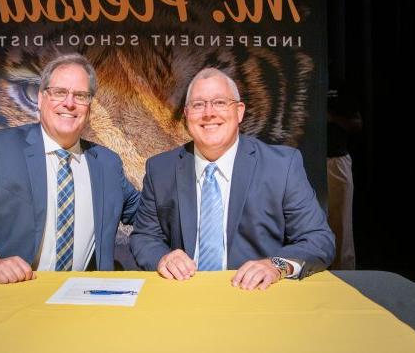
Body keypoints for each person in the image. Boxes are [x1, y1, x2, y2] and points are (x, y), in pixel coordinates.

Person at [0, 53, 140, 283]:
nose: (69, 103)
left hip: (82, 300)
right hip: (10, 294)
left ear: (89, 107)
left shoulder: (107, 163)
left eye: (80, 96)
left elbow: (146, 213)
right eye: (59, 92)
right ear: (41, 98)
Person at [130, 68, 334, 290]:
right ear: (186, 114)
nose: (209, 113)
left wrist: (276, 265)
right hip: (184, 295)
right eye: (198, 105)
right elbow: (144, 237)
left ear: (239, 112)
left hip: (258, 296)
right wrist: (162, 257)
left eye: (219, 102)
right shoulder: (161, 169)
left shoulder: (282, 166)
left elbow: (318, 239)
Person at [327, 79, 362, 270]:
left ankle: (344, 273)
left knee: (340, 221)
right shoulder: (302, 77)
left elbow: (357, 124)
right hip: (303, 160)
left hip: (334, 160)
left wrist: (332, 118)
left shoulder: (340, 87)